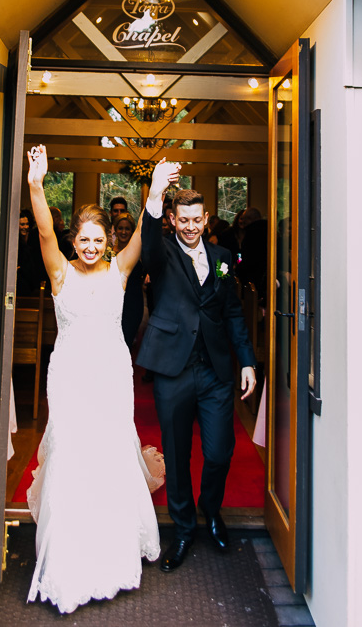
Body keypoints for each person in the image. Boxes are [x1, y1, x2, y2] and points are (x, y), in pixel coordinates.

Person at [25, 146, 174, 614]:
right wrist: (36, 184)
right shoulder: (60, 274)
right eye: (82, 240)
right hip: (70, 381)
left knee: (107, 459)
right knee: (72, 461)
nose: (89, 247)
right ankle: (68, 560)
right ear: (74, 241)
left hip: (110, 381)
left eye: (97, 240)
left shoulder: (121, 271)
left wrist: (155, 193)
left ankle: (110, 555)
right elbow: (44, 229)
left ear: (108, 241)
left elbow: (145, 239)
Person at [137, 178, 257, 572]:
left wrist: (246, 361)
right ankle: (184, 528)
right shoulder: (161, 252)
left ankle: (212, 510)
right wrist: (155, 196)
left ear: (206, 219)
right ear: (173, 220)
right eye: (182, 219)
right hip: (173, 369)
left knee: (220, 452)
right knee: (176, 452)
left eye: (196, 220)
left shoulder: (223, 256)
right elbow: (149, 243)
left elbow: (234, 312)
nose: (189, 226)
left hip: (216, 371)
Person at [114, 212, 145, 349]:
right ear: (115, 230)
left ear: (132, 230)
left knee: (125, 343)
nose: (123, 232)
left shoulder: (139, 252)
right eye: (120, 228)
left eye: (127, 229)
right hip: (112, 304)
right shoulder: (107, 252)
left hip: (132, 305)